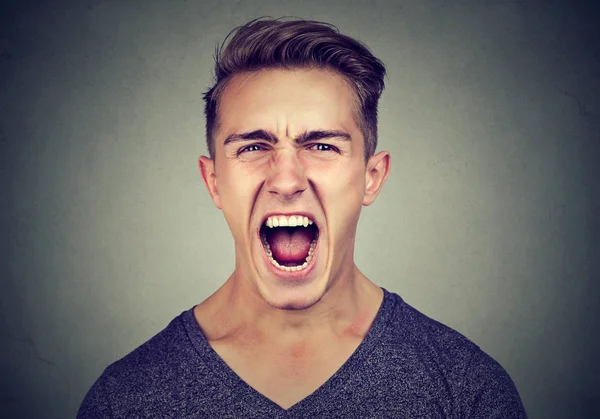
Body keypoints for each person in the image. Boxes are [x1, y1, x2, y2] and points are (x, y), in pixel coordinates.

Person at [78, 17, 528, 418]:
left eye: (322, 146)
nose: (287, 179)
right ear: (213, 180)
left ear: (372, 176)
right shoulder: (126, 399)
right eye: (254, 147)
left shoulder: (467, 391)